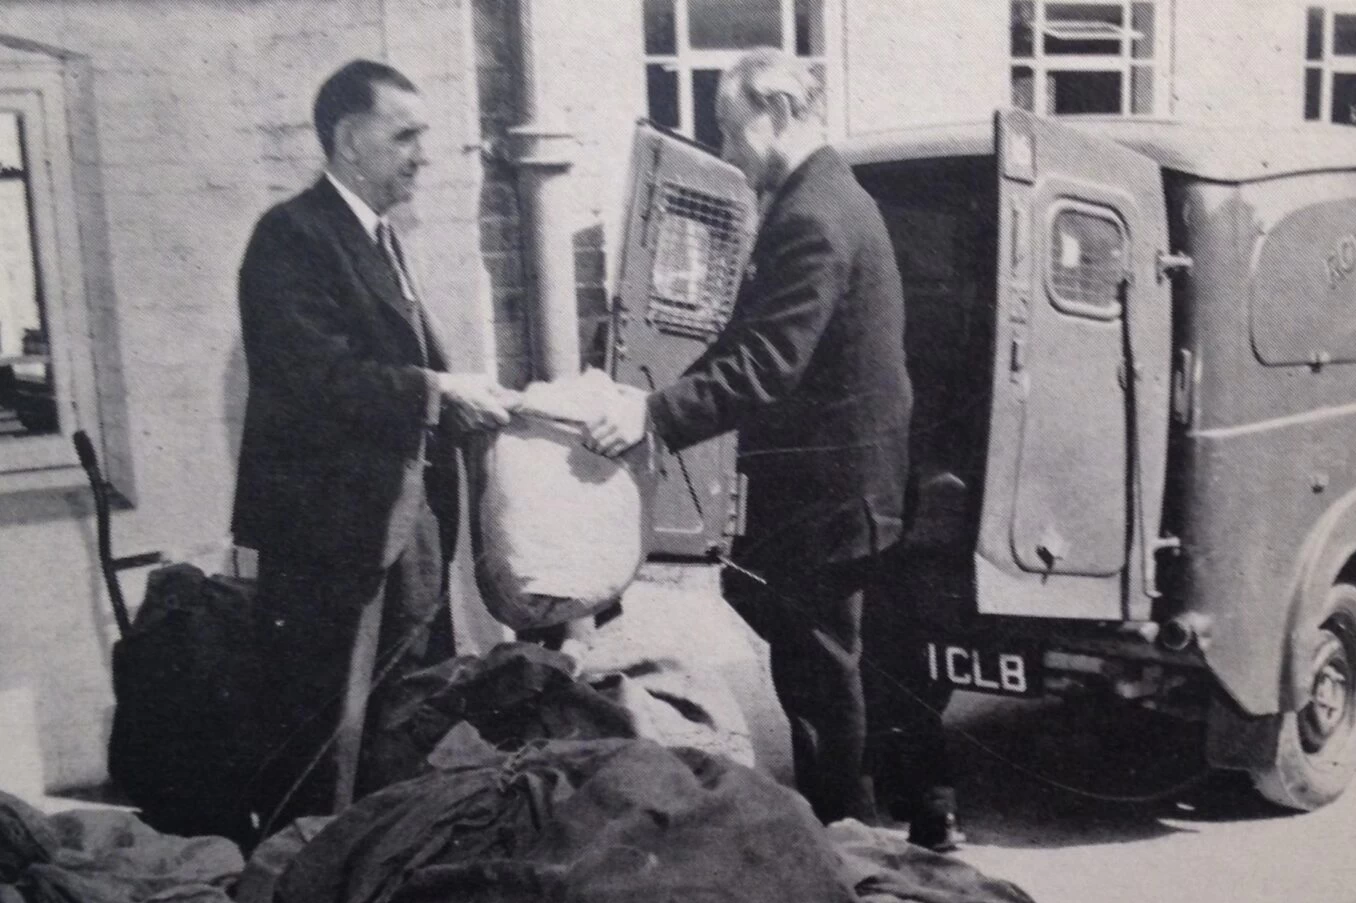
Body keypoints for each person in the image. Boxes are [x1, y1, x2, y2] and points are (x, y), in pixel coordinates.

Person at [586, 49, 955, 844]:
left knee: (821, 678)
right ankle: (927, 811)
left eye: (730, 128)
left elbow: (766, 362)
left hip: (826, 497)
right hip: (857, 487)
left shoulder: (811, 215)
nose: (727, 151)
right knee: (866, 658)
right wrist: (657, 399)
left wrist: (651, 414)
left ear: (779, 112)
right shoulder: (830, 199)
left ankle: (843, 843)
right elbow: (750, 341)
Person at [232, 59, 516, 832]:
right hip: (336, 547)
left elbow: (393, 367)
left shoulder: (379, 239)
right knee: (332, 742)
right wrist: (439, 389)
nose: (423, 153)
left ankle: (394, 880)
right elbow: (315, 378)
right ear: (352, 140)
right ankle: (309, 893)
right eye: (407, 135)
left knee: (411, 722)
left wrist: (484, 402)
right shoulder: (290, 237)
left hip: (402, 534)